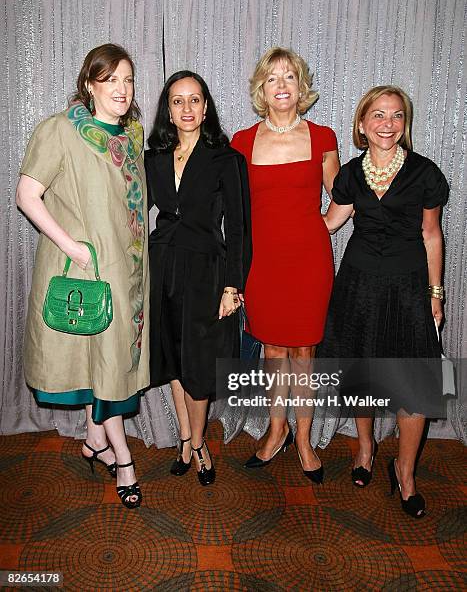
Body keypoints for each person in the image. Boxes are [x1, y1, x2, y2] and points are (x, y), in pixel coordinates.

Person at [16, 44, 149, 509]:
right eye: (110, 79)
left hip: (129, 272)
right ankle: (124, 458)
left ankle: (94, 440)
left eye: (128, 80)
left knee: (109, 362)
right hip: (88, 270)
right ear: (89, 84)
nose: (121, 89)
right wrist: (72, 247)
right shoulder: (60, 131)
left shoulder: (132, 133)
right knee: (108, 364)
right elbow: (26, 195)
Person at [321, 85, 449, 517]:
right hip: (357, 286)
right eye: (378, 115)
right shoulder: (351, 176)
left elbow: (431, 235)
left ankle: (405, 471)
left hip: (409, 288)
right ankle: (365, 448)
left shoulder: (424, 173)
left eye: (396, 116)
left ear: (404, 124)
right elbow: (328, 224)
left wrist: (436, 293)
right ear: (362, 124)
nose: (387, 123)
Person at [231, 47, 340, 483]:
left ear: (301, 87)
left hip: (309, 262)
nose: (281, 85)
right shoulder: (241, 141)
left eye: (289, 77)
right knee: (272, 350)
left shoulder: (323, 137)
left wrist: (323, 228)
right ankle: (276, 431)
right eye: (272, 78)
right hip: (263, 264)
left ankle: (304, 439)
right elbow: (235, 210)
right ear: (262, 88)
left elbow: (342, 194)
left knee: (304, 353)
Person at [145, 71, 251, 486]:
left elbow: (240, 229)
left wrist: (233, 286)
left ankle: (199, 442)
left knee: (199, 363)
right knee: (171, 356)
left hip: (207, 271)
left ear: (206, 108)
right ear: (168, 111)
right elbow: (134, 213)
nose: (186, 108)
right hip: (161, 266)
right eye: (177, 101)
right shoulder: (151, 158)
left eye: (194, 100)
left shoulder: (227, 160)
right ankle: (186, 441)